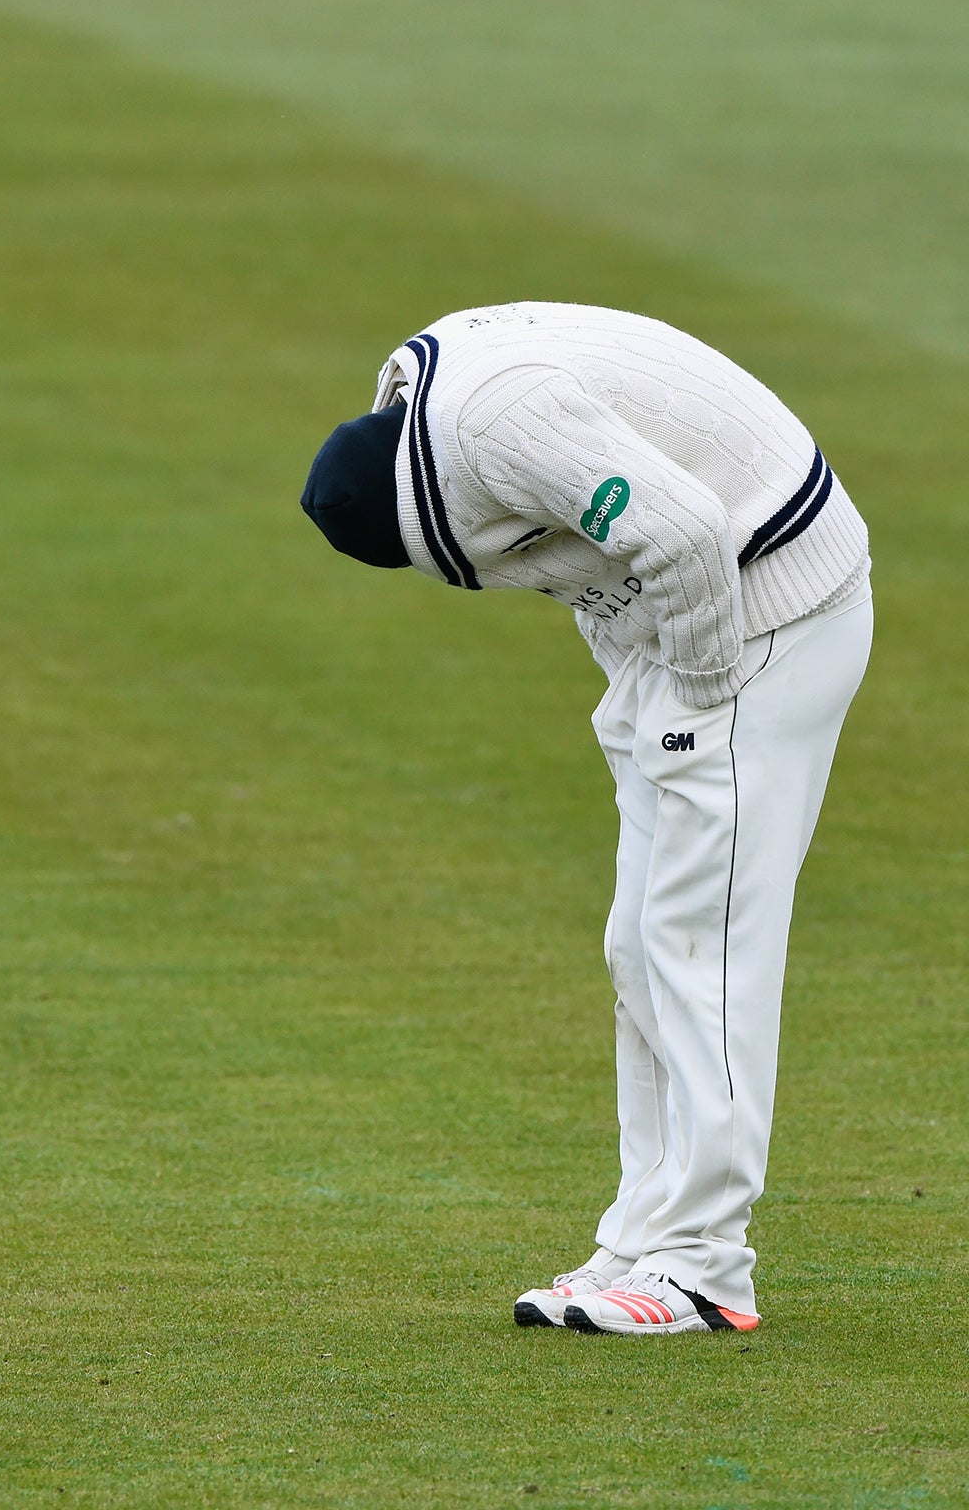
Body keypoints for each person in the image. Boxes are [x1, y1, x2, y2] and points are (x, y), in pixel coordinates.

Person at [301, 302, 871, 1336]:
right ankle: (645, 1238)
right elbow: (599, 562)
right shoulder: (430, 424)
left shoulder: (495, 424)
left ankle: (702, 1269)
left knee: (702, 950)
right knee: (640, 946)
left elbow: (683, 530)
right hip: (690, 635)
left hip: (767, 617)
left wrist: (698, 690)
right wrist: (643, 681)